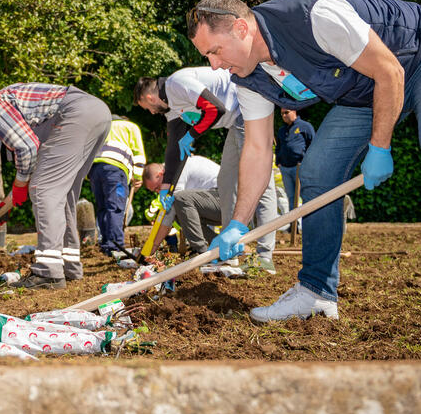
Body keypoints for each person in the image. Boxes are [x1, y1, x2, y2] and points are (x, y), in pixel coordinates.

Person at [187, 0, 421, 336]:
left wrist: (380, 147)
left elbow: (390, 71)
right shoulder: (247, 77)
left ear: (241, 29)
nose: (213, 64)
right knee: (318, 171)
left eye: (214, 51)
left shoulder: (315, 17)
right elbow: (257, 150)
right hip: (365, 90)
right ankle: (316, 292)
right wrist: (238, 223)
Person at [0, 83, 111, 289]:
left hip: (75, 113)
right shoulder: (13, 116)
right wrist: (6, 203)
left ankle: (49, 273)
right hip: (97, 113)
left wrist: (21, 186)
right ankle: (68, 264)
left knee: (44, 189)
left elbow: (27, 148)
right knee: (62, 194)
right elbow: (35, 163)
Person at [134, 69, 279, 272]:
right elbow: (173, 149)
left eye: (147, 107)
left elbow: (215, 108)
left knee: (262, 184)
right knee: (227, 183)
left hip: (250, 111)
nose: (151, 112)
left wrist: (191, 134)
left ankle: (265, 255)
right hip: (234, 123)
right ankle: (231, 253)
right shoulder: (173, 107)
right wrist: (166, 187)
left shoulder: (178, 83)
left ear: (149, 97)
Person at [142, 157, 229, 259]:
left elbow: (167, 216)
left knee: (179, 199)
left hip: (225, 201)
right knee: (179, 212)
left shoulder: (176, 170)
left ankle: (201, 252)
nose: (158, 192)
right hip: (217, 203)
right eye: (155, 190)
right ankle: (220, 245)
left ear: (160, 174)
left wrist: (153, 247)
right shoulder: (171, 170)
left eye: (157, 187)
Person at [89, 118, 146, 255]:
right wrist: (137, 177)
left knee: (103, 208)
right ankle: (116, 247)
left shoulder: (102, 126)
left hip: (95, 170)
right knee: (115, 208)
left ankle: (107, 245)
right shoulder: (130, 126)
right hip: (115, 170)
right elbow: (138, 154)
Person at [276, 108, 315, 208]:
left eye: (286, 112)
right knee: (291, 197)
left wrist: (307, 163)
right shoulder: (282, 130)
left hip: (300, 168)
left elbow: (313, 145)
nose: (284, 116)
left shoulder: (305, 126)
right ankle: (294, 223)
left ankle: (308, 222)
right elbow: (278, 147)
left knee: (306, 195)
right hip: (285, 169)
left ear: (294, 111)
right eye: (282, 114)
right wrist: (278, 162)